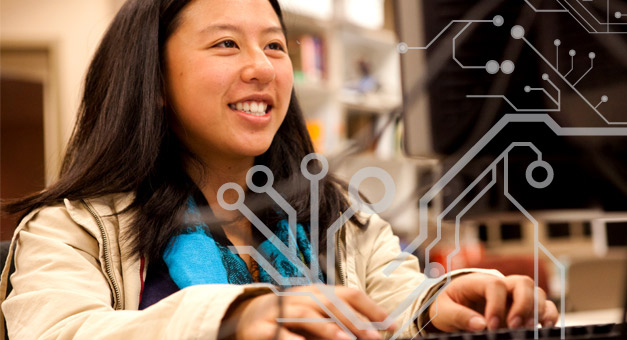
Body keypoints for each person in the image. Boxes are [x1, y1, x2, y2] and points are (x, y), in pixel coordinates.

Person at [0, 0, 558, 339]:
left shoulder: (335, 215)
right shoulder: (70, 229)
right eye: (226, 44)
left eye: (275, 46)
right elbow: (59, 332)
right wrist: (234, 319)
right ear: (153, 82)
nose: (261, 68)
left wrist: (445, 302)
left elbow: (393, 296)